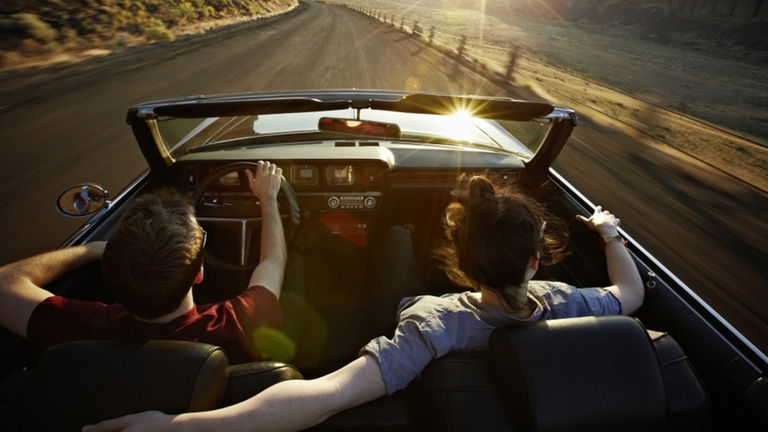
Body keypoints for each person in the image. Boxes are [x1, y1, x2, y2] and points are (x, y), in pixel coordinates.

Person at [85, 174, 644, 432]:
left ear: (460, 262)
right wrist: (610, 235)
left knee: (394, 244)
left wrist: (177, 427)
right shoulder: (570, 302)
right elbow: (631, 294)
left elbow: (323, 394)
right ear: (535, 261)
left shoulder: (434, 322)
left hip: (406, 333)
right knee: (394, 236)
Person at [0, 161, 286, 364]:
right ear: (199, 273)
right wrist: (268, 199)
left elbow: (4, 283)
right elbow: (273, 261)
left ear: (110, 270)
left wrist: (91, 250)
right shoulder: (238, 323)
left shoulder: (83, 327)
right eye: (199, 234)